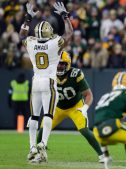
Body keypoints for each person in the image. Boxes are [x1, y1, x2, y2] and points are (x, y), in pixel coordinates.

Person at [19, 2, 73, 163]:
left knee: (34, 116)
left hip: (36, 81)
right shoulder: (54, 42)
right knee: (48, 114)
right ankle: (43, 143)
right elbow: (70, 33)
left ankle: (32, 147)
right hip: (49, 82)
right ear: (49, 32)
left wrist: (27, 19)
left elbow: (21, 35)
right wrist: (65, 17)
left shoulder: (31, 42)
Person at [36, 51, 103, 162]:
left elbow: (88, 94)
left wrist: (85, 108)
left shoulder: (75, 74)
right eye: (57, 63)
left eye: (62, 63)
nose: (59, 66)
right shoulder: (48, 74)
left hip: (75, 106)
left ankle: (102, 155)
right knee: (42, 130)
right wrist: (34, 114)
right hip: (57, 107)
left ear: (68, 64)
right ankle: (39, 155)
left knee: (84, 130)